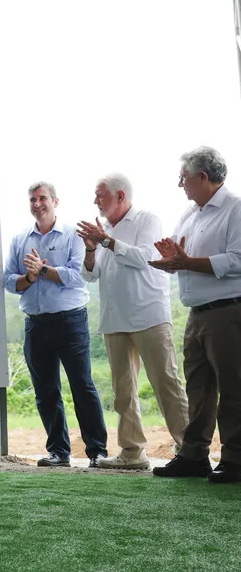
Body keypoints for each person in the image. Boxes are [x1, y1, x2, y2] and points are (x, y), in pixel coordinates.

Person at [78, 173, 189, 470]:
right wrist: (91, 248)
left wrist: (105, 241)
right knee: (123, 393)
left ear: (120, 196)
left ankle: (190, 450)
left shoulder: (147, 220)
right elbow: (90, 275)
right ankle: (132, 452)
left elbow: (143, 258)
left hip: (148, 316)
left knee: (166, 385)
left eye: (100, 194)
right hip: (114, 320)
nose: (95, 200)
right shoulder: (103, 231)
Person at [150, 146, 241, 482]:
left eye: (183, 178)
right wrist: (172, 260)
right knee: (198, 388)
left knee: (233, 386)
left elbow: (237, 260)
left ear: (202, 177)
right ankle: (194, 456)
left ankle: (235, 459)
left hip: (228, 311)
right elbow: (181, 256)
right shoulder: (190, 213)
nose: (180, 184)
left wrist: (187, 262)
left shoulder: (235, 209)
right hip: (197, 313)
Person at [4, 182, 108, 467]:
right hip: (35, 324)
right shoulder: (19, 239)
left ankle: (97, 451)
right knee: (46, 391)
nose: (37, 204)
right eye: (32, 200)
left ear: (55, 202)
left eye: (42, 198)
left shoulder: (73, 235)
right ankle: (59, 452)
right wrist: (30, 278)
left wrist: (43, 270)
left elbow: (77, 276)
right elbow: (9, 281)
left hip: (70, 321)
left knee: (82, 386)